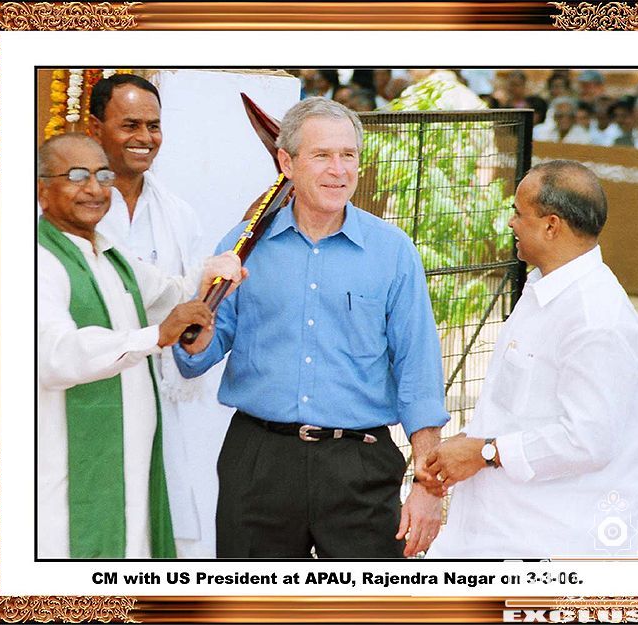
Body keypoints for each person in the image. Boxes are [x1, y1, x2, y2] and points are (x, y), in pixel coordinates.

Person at [173, 97, 449, 559]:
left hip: (359, 465)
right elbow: (196, 356)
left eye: (348, 155)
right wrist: (198, 318)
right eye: (322, 155)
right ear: (287, 162)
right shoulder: (243, 245)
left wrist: (428, 486)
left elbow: (419, 374)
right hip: (259, 462)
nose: (338, 171)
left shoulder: (393, 251)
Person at [425, 160, 638, 558]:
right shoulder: (544, 287)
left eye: (518, 212)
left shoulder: (596, 318)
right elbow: (521, 409)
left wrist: (485, 452)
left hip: (552, 545)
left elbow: (587, 440)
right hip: (496, 531)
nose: (511, 222)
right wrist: (473, 440)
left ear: (551, 226)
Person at [37, 133, 241, 558]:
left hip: (132, 466)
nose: (94, 189)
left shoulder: (112, 255)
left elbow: (171, 293)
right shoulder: (38, 261)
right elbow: (56, 355)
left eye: (103, 176)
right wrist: (155, 335)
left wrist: (214, 272)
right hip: (66, 469)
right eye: (77, 176)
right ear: (42, 190)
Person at [89, 73, 227, 558]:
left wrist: (197, 329)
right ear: (96, 127)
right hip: (86, 392)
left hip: (158, 398)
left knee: (154, 533)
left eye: (154, 126)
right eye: (130, 125)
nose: (144, 138)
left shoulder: (178, 214)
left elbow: (192, 307)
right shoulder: (67, 211)